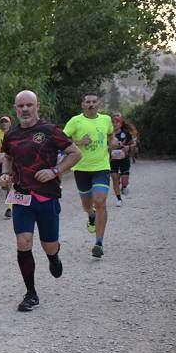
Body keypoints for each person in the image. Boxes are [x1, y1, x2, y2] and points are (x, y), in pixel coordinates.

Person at [0, 91, 82, 312]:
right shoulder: (11, 135)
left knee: (49, 245)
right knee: (23, 242)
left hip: (47, 196)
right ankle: (31, 293)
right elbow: (7, 157)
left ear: (37, 106)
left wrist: (55, 171)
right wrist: (6, 175)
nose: (24, 109)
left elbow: (75, 153)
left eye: (29, 105)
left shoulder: (50, 130)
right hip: (21, 196)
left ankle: (53, 257)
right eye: (20, 106)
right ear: (15, 109)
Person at [63, 92, 118, 259]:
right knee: (87, 205)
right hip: (81, 168)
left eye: (94, 102)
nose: (91, 104)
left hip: (101, 167)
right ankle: (91, 215)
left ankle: (99, 243)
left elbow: (110, 134)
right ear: (83, 104)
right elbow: (61, 141)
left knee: (100, 201)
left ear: (99, 103)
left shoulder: (106, 119)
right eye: (88, 102)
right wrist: (79, 143)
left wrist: (112, 141)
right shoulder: (75, 121)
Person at [109, 112, 134, 206]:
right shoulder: (108, 135)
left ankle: (124, 186)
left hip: (124, 160)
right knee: (115, 180)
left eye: (117, 122)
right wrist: (109, 148)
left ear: (121, 124)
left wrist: (128, 147)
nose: (115, 124)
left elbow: (132, 143)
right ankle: (119, 199)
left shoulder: (126, 133)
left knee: (125, 180)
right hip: (113, 161)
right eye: (113, 122)